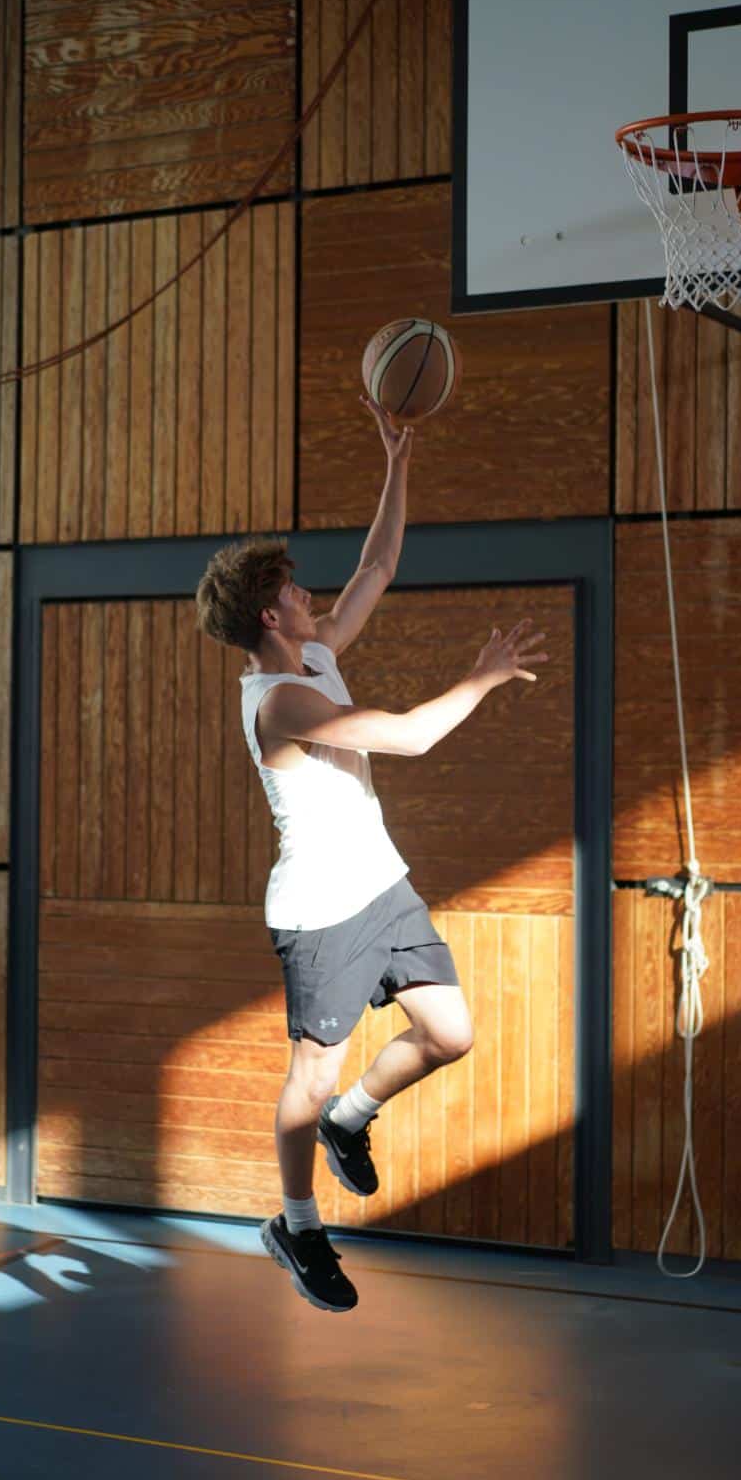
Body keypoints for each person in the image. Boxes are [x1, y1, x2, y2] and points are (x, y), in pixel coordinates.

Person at [194, 394, 546, 1311]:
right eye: (295, 594)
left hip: (380, 887)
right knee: (308, 1077)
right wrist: (482, 676)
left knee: (449, 1034)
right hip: (321, 913)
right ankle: (295, 1224)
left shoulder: (311, 655)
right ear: (272, 619)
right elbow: (410, 737)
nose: (311, 597)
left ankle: (355, 1119)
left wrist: (396, 459)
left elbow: (378, 564)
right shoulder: (280, 703)